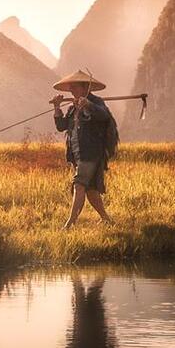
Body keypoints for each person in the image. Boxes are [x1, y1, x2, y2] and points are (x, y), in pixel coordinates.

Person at [51, 70, 115, 229]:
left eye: (74, 87)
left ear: (85, 87)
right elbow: (61, 126)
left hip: (91, 153)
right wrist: (57, 107)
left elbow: (104, 116)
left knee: (79, 185)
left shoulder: (97, 102)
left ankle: (69, 224)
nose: (71, 90)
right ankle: (107, 219)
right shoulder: (73, 108)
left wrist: (89, 105)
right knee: (91, 190)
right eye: (70, 87)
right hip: (76, 154)